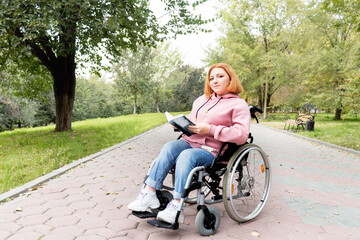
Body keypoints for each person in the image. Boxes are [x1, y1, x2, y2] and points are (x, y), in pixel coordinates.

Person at [128, 63, 251, 224]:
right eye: (211, 78)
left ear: (231, 79)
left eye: (220, 76)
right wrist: (179, 123)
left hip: (212, 150)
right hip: (190, 141)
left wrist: (211, 129)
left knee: (186, 156)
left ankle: (176, 205)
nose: (214, 81)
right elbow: (194, 119)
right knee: (169, 147)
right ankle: (149, 194)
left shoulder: (238, 104)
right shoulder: (202, 99)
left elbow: (242, 135)